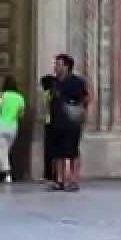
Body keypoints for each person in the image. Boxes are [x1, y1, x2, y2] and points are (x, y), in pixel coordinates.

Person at [48, 53, 90, 192]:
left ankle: (73, 180)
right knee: (58, 152)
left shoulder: (76, 81)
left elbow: (86, 97)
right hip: (57, 121)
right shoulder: (54, 82)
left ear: (66, 66)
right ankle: (60, 180)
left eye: (58, 64)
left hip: (71, 121)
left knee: (72, 152)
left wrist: (78, 111)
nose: (55, 67)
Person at [0, 75, 26, 184]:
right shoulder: (20, 97)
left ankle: (8, 174)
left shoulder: (2, 96)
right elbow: (21, 114)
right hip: (13, 126)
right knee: (4, 151)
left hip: (1, 125)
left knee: (1, 150)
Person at [40, 75, 55, 182]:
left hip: (49, 123)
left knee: (49, 151)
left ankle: (49, 174)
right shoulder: (52, 93)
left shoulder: (46, 94)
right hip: (53, 122)